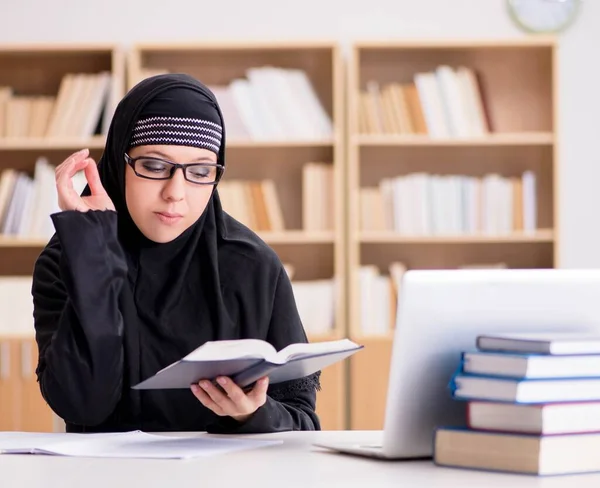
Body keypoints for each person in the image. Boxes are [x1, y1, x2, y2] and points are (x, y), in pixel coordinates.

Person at [31, 73, 321, 434]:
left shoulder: (255, 267)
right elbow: (83, 406)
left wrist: (253, 412)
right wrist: (94, 252)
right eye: (154, 166)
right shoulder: (68, 260)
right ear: (120, 164)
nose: (176, 192)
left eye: (200, 171)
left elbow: (303, 421)